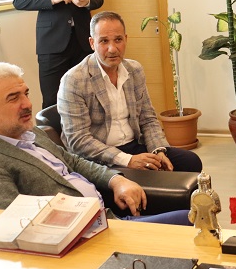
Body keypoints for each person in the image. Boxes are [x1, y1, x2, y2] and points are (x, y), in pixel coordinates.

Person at [0, 62, 189, 224]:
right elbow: (11, 226)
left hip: (106, 218)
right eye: (13, 98)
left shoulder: (29, 133)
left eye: (26, 93)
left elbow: (73, 161)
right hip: (83, 239)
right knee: (188, 222)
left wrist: (116, 180)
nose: (27, 104)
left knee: (195, 216)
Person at [58, 11, 203, 173]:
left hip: (133, 146)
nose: (112, 49)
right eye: (104, 41)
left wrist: (158, 151)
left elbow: (148, 119)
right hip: (98, 158)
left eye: (118, 40)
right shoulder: (74, 80)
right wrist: (127, 160)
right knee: (144, 176)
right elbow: (78, 140)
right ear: (92, 43)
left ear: (126, 39)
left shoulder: (134, 70)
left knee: (190, 162)